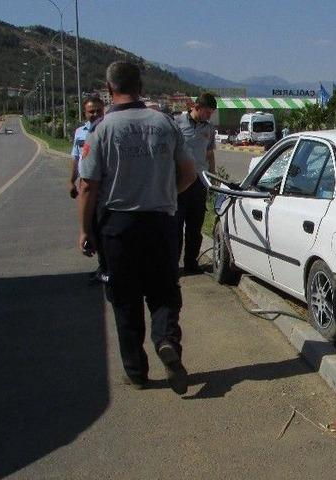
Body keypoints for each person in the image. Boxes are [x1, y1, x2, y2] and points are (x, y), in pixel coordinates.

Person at [77, 61, 197, 394]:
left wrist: (85, 230)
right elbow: (189, 173)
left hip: (119, 227)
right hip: (161, 223)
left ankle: (136, 372)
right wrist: (166, 194)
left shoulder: (101, 129)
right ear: (140, 85)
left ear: (109, 87)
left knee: (125, 300)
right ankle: (166, 340)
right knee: (164, 292)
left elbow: (87, 185)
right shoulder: (164, 123)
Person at [175, 93, 217, 275]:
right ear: (197, 107)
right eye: (207, 112)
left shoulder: (209, 129)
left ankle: (191, 262)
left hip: (199, 182)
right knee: (175, 226)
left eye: (211, 113)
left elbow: (209, 154)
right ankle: (172, 265)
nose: (209, 116)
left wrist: (213, 178)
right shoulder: (177, 124)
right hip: (180, 182)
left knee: (195, 226)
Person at [71, 96, 106, 284]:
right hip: (87, 186)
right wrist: (71, 181)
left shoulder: (108, 130)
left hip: (103, 190)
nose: (95, 114)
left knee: (103, 230)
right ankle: (103, 266)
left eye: (99, 110)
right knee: (92, 226)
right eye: (91, 111)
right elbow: (76, 158)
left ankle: (106, 269)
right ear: (85, 113)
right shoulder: (79, 133)